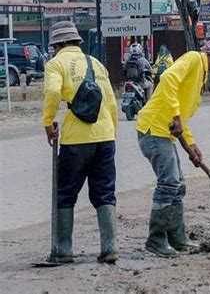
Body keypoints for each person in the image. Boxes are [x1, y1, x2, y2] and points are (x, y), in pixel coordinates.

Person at [136, 37, 210, 257]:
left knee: (178, 185)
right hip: (153, 129)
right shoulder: (194, 59)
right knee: (169, 183)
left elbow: (182, 117)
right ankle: (156, 240)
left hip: (165, 133)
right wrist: (174, 115)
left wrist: (192, 145)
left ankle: (177, 237)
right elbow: (167, 78)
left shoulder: (202, 76)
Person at [42, 21, 119, 264]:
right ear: (77, 42)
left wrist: (48, 121)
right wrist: (110, 133)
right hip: (105, 137)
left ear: (57, 44)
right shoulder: (96, 64)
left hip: (76, 140)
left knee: (66, 193)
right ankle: (110, 248)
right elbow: (113, 104)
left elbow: (53, 93)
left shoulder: (56, 64)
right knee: (105, 192)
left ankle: (63, 251)